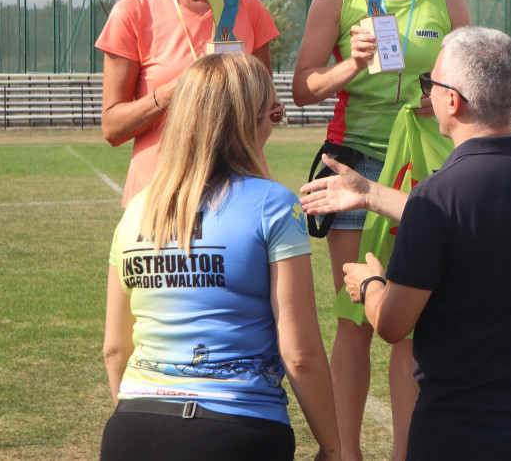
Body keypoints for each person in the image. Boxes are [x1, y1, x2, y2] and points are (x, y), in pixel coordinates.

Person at [300, 28, 511, 461]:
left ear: (454, 101)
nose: (426, 94)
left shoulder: (439, 196)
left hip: (461, 432)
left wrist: (371, 283)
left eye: (431, 84)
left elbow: (393, 326)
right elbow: (470, 214)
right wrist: (370, 193)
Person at [291, 0, 469, 460]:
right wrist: (352, 64)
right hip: (352, 164)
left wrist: (437, 96)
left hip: (420, 168)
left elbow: (466, 85)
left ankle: (404, 454)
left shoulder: (447, 0)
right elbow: (302, 88)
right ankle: (344, 454)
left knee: (409, 318)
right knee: (354, 319)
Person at [100, 53, 340, 461]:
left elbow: (114, 349)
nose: (273, 125)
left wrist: (146, 413)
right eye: (272, 114)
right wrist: (334, 446)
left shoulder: (137, 210)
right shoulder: (275, 206)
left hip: (133, 427)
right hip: (238, 428)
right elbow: (300, 355)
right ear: (248, 122)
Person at [95, 0, 278, 208]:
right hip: (160, 199)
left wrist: (268, 112)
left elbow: (269, 109)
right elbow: (112, 128)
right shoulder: (133, 12)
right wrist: (174, 91)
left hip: (238, 196)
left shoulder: (250, 10)